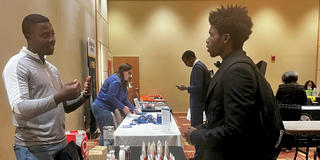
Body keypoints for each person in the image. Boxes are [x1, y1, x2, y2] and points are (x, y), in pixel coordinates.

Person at [183, 5, 283, 160]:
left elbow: (236, 132)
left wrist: (197, 136)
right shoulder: (232, 65)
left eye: (211, 34)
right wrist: (199, 129)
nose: (207, 40)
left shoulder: (238, 71)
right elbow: (221, 118)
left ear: (225, 38)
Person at [2, 14, 91, 160]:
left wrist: (83, 96)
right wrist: (60, 96)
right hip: (33, 149)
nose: (52, 39)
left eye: (52, 34)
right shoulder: (17, 65)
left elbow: (64, 107)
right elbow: (19, 109)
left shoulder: (52, 69)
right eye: (45, 35)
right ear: (28, 37)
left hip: (59, 144)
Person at [91, 63, 138, 145]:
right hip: (101, 107)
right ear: (123, 71)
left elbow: (123, 99)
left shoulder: (122, 81)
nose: (130, 76)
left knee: (109, 133)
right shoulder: (116, 81)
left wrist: (133, 109)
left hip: (105, 107)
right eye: (129, 73)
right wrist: (123, 107)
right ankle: (103, 155)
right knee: (107, 134)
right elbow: (111, 97)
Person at [176, 50, 210, 127]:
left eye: (186, 62)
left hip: (198, 101)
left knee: (196, 125)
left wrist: (185, 88)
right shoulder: (200, 65)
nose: (186, 64)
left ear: (191, 58)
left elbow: (198, 88)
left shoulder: (197, 67)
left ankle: (196, 138)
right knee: (197, 124)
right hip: (199, 100)